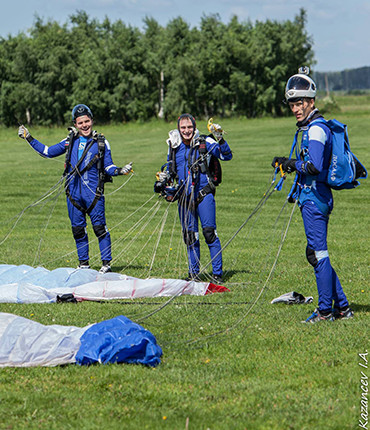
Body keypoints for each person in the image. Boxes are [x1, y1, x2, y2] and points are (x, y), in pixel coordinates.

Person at [272, 68, 353, 323]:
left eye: (299, 103)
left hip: (315, 198)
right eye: (292, 103)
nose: (296, 108)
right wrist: (288, 163)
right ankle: (342, 307)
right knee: (315, 254)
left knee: (319, 254)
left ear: (311, 102)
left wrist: (291, 163)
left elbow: (314, 166)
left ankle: (325, 311)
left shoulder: (316, 129)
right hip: (312, 196)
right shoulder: (311, 126)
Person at [18, 104, 133, 273]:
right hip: (72, 194)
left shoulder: (101, 142)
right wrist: (29, 137)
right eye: (80, 123)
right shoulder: (69, 141)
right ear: (75, 124)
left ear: (92, 121)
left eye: (87, 121)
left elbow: (108, 166)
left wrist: (119, 171)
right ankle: (84, 264)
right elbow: (48, 152)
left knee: (100, 228)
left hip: (94, 194)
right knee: (78, 230)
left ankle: (106, 265)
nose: (84, 125)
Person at [155, 114, 232, 283]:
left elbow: (227, 156)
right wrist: (164, 184)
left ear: (194, 127)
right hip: (184, 197)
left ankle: (217, 274)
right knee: (190, 236)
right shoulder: (174, 146)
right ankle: (194, 274)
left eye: (189, 127)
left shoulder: (205, 142)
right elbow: (170, 170)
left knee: (209, 233)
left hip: (204, 194)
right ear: (178, 128)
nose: (186, 131)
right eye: (183, 128)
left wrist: (219, 137)